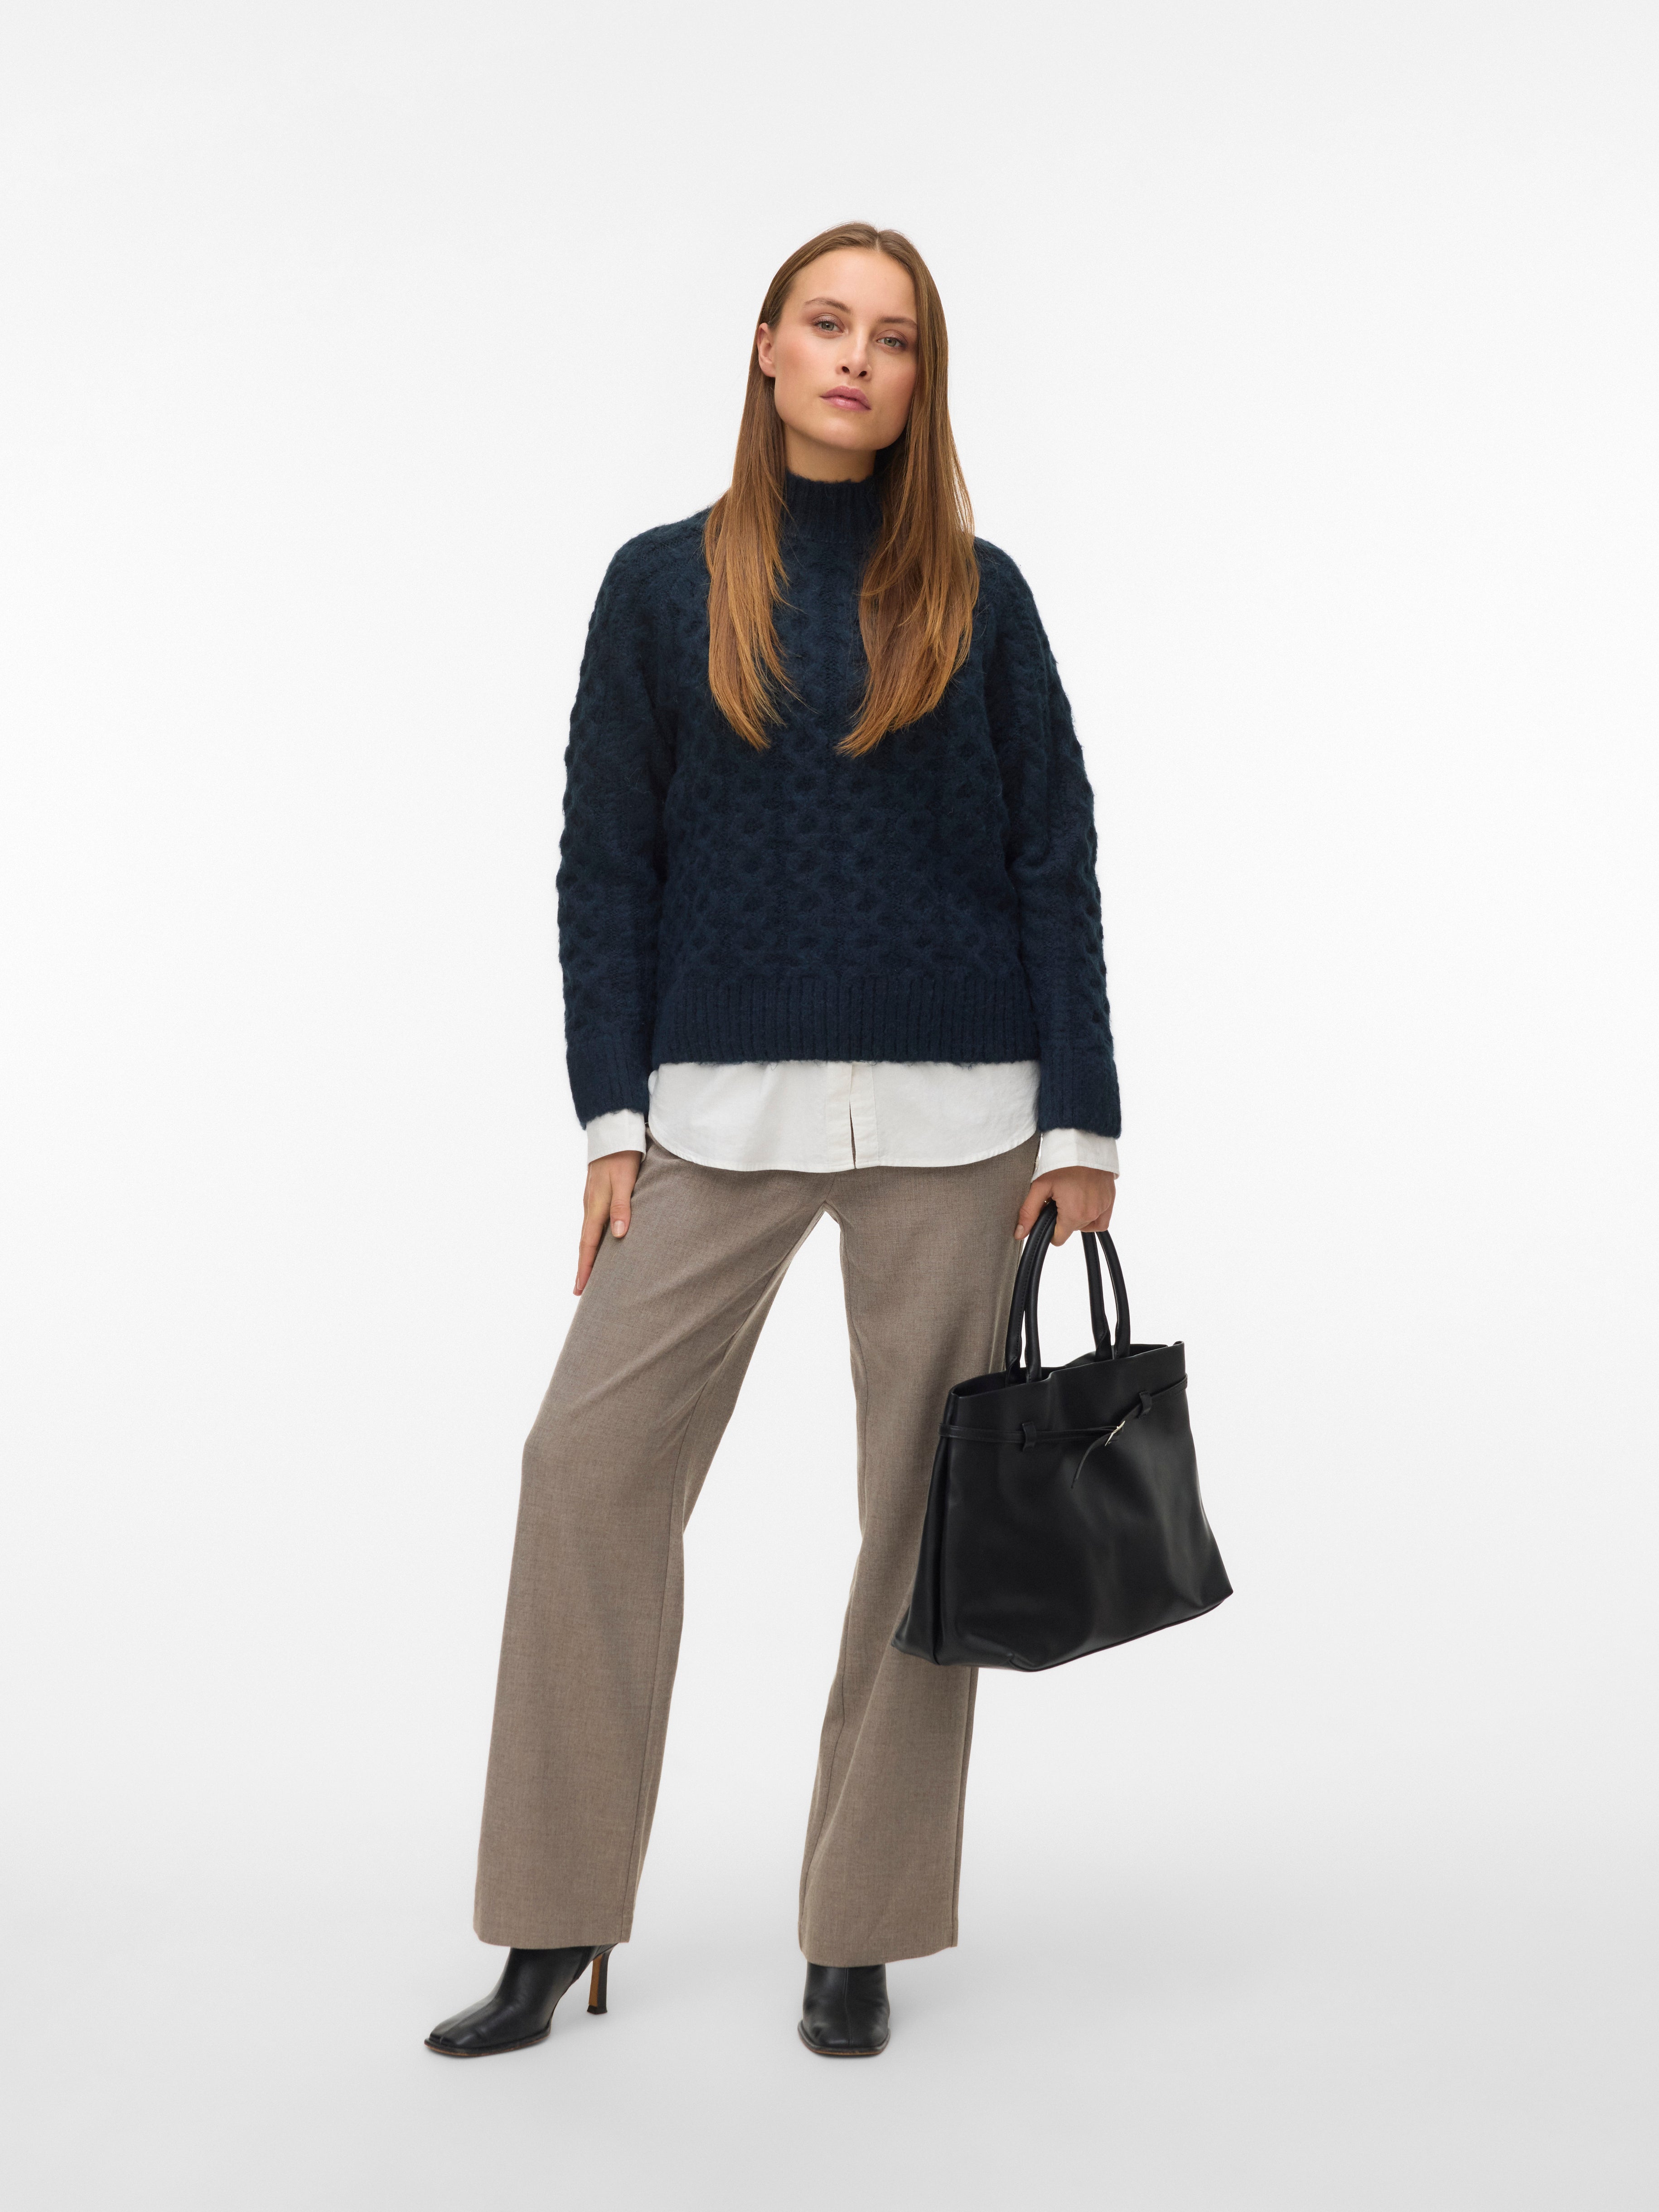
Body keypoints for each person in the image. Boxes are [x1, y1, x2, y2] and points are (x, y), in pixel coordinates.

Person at [426, 222, 1121, 2062]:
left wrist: (1082, 1120)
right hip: (714, 1120)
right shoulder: (662, 588)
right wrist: (609, 1117)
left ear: (920, 378)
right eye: (827, 324)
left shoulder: (980, 594)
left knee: (920, 1516)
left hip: (963, 1119)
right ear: (765, 348)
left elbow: (1054, 856)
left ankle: (859, 1929)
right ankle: (554, 1914)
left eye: (894, 338)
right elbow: (606, 866)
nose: (857, 360)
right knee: (584, 1470)